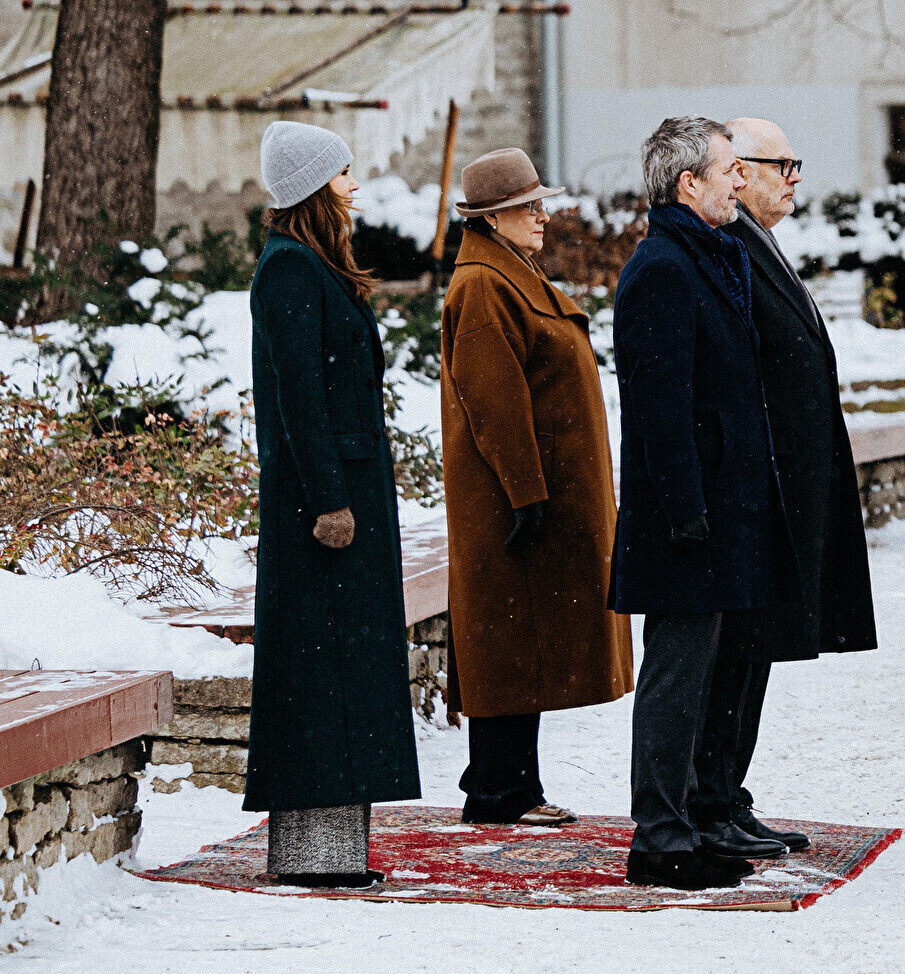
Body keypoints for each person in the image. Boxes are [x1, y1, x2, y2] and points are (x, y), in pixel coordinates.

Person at [610, 116, 793, 891]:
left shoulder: (710, 255)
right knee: (676, 679)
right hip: (685, 519)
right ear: (689, 183)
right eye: (727, 170)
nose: (739, 181)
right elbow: (660, 407)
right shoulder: (662, 267)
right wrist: (687, 511)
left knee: (705, 678)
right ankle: (658, 838)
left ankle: (685, 821)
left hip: (722, 509)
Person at [243, 121, 420, 887]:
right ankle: (314, 857)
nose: (353, 186)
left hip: (344, 495)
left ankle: (334, 852)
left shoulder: (310, 264)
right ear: (313, 186)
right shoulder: (289, 269)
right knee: (321, 679)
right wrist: (327, 500)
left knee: (342, 673)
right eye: (342, 173)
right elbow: (299, 398)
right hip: (321, 509)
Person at [700, 117, 881, 855]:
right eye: (783, 164)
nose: (795, 177)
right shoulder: (729, 245)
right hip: (757, 487)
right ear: (738, 171)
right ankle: (708, 798)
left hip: (786, 484)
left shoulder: (757, 241)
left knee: (760, 649)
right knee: (736, 652)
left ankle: (727, 793)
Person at [438, 147, 630, 826]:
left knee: (521, 640)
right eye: (527, 207)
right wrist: (526, 492)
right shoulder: (484, 286)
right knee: (507, 643)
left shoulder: (505, 275)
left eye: (540, 203)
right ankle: (498, 790)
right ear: (491, 219)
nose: (542, 215)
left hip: (529, 494)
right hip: (510, 500)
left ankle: (512, 785)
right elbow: (495, 401)